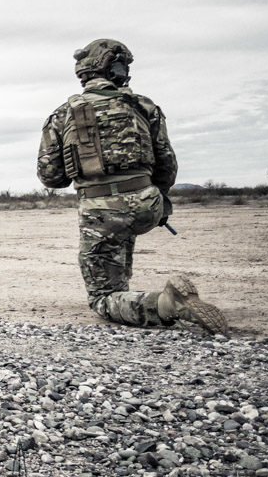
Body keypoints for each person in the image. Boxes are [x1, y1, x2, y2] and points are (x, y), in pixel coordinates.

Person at [37, 38, 227, 334]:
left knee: (102, 298)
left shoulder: (62, 115)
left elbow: (50, 176)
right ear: (115, 69)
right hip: (148, 204)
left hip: (100, 211)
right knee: (121, 237)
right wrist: (157, 196)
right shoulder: (144, 105)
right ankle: (125, 290)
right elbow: (167, 165)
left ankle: (167, 305)